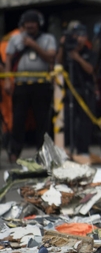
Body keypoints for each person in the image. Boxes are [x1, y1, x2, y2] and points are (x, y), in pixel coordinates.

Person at [4, 10, 56, 162]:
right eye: (28, 23)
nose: (30, 25)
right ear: (23, 24)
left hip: (41, 84)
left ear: (39, 24)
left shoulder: (47, 39)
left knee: (43, 121)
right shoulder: (15, 39)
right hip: (21, 83)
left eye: (33, 22)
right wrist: (7, 80)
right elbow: (8, 59)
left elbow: (50, 57)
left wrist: (34, 45)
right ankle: (14, 152)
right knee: (18, 119)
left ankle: (43, 153)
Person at [56, 23, 97, 157]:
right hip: (69, 90)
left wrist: (77, 57)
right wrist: (62, 47)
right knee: (67, 119)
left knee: (85, 121)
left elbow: (90, 69)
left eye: (82, 36)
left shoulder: (89, 52)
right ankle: (64, 148)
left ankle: (83, 150)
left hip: (85, 89)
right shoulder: (66, 51)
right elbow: (58, 64)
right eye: (76, 35)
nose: (79, 39)